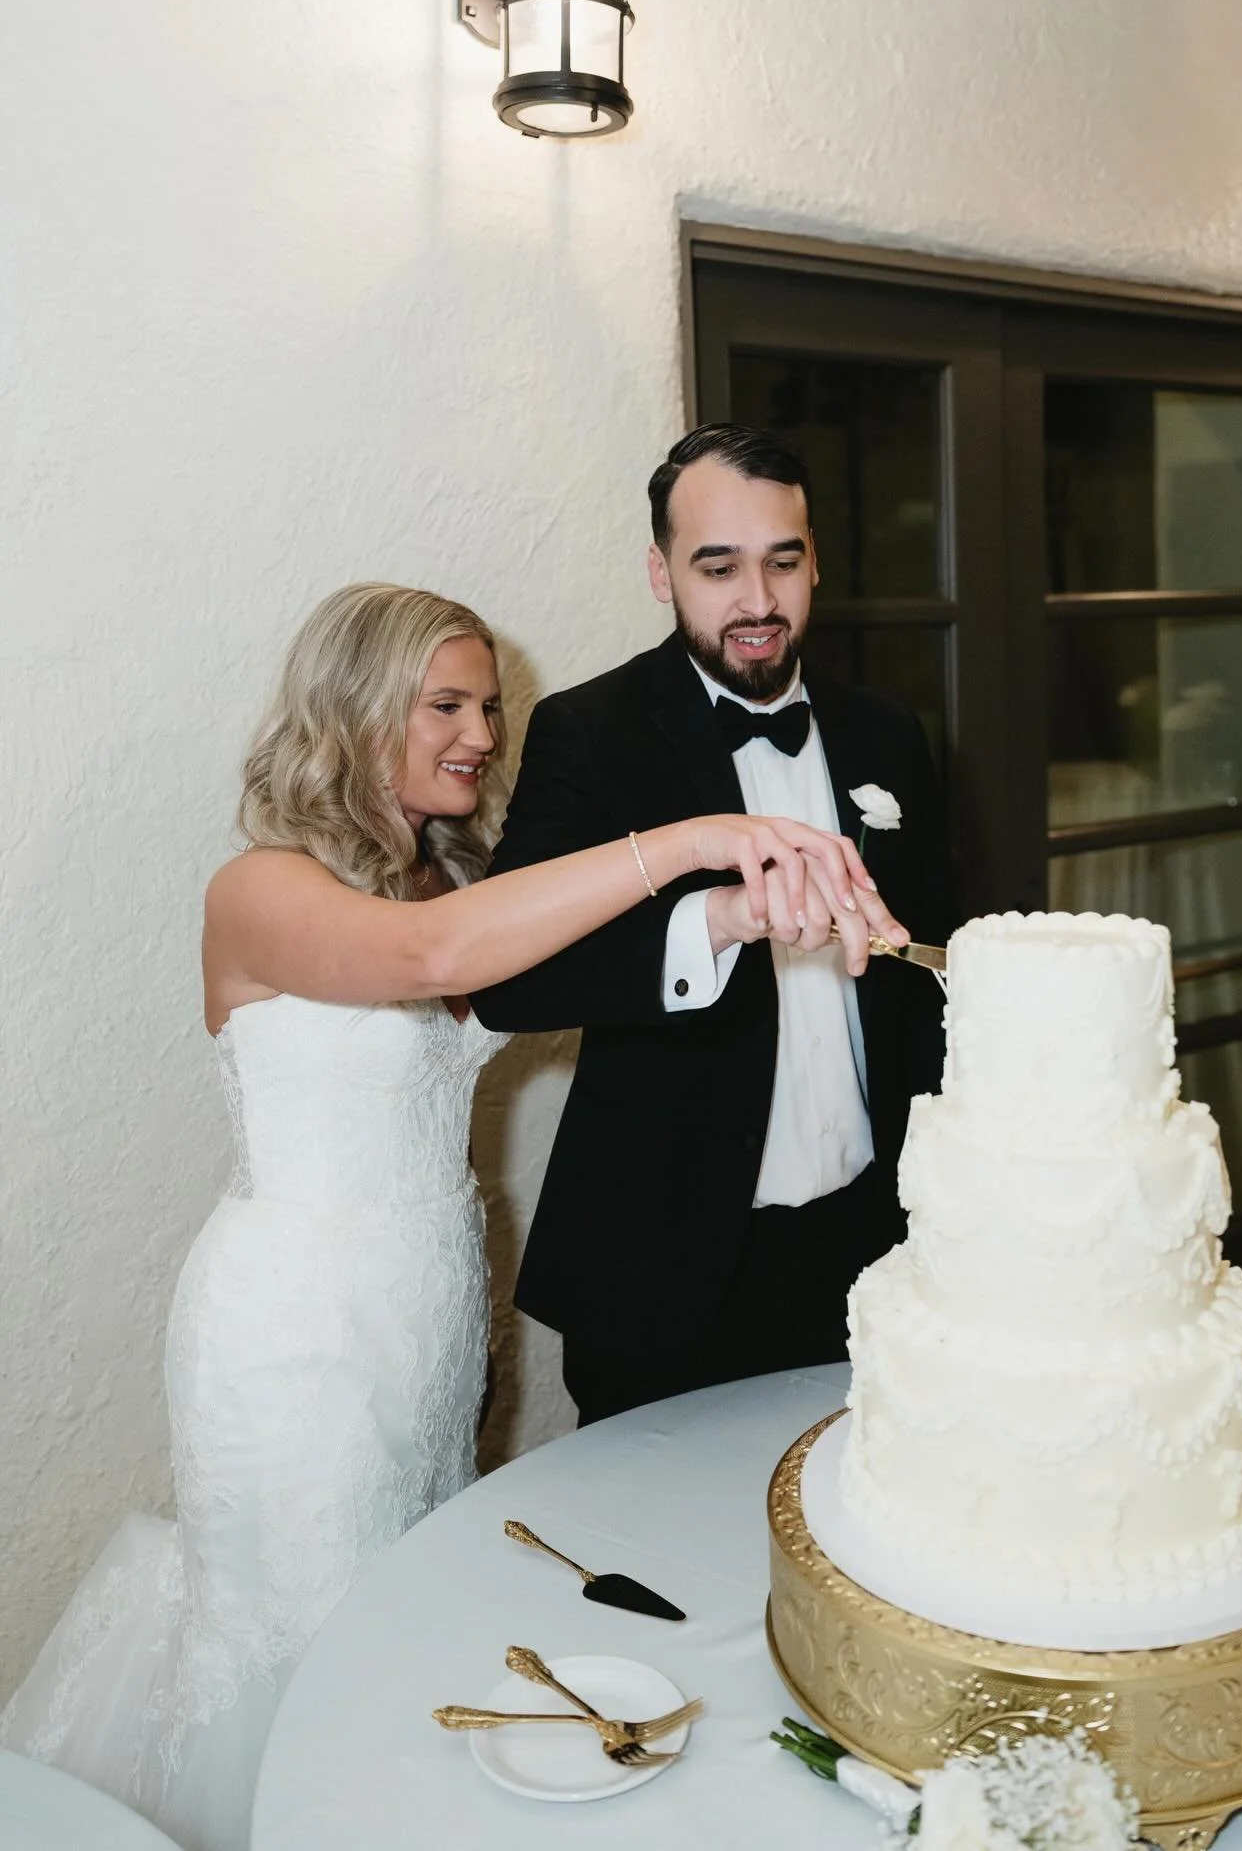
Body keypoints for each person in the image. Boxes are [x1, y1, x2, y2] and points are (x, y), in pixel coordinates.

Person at [0, 582, 894, 1851]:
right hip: (297, 1332)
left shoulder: (447, 875)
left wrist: (741, 912)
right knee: (301, 1638)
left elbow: (553, 968)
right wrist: (699, 836)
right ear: (355, 708)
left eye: (488, 703)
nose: (481, 730)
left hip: (426, 1317)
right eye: (447, 703)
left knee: (400, 1618)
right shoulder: (258, 888)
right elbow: (436, 964)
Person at [476, 426, 954, 1425]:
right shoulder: (588, 732)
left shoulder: (888, 732)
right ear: (661, 571)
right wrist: (715, 923)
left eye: (784, 560)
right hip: (666, 1263)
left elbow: (929, 983)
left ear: (816, 556)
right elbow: (511, 983)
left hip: (873, 1247)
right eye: (718, 566)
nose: (759, 602)